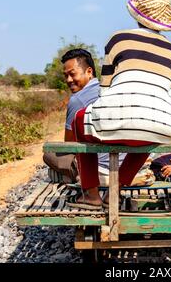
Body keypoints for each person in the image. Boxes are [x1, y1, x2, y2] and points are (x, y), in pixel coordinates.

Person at [69, 0, 171, 209]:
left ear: (137, 15)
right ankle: (115, 194)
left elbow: (104, 89)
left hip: (115, 116)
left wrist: (106, 116)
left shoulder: (118, 40)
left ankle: (91, 195)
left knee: (80, 119)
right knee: (152, 130)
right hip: (156, 129)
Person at [42, 48, 124, 185]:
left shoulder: (77, 100)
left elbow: (69, 145)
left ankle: (76, 177)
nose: (69, 80)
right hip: (123, 164)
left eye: (72, 74)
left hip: (100, 168)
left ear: (89, 72)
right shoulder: (112, 89)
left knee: (49, 154)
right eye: (66, 76)